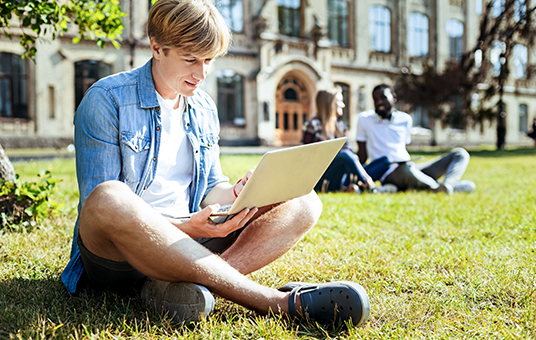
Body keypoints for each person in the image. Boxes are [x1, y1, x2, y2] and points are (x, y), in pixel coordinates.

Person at [61, 0, 370, 327]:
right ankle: (277, 302)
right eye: (191, 59)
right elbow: (102, 211)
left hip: (191, 242)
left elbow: (210, 187)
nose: (201, 73)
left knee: (305, 200)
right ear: (157, 47)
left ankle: (183, 286)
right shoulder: (106, 99)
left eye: (209, 59)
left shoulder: (203, 107)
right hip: (119, 256)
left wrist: (240, 193)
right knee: (110, 195)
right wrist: (183, 227)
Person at [355, 84, 476, 194]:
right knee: (405, 168)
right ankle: (439, 188)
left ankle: (448, 185)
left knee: (460, 154)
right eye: (375, 100)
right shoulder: (364, 119)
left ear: (394, 97)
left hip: (410, 167)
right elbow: (362, 156)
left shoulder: (405, 119)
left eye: (383, 98)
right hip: (388, 174)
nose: (379, 102)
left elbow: (403, 148)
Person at [302, 87, 390, 193]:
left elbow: (349, 154)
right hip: (322, 178)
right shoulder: (312, 125)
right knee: (344, 155)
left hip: (343, 176)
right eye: (339, 101)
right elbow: (307, 161)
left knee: (385, 161)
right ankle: (370, 187)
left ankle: (354, 186)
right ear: (329, 103)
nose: (343, 105)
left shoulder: (340, 126)